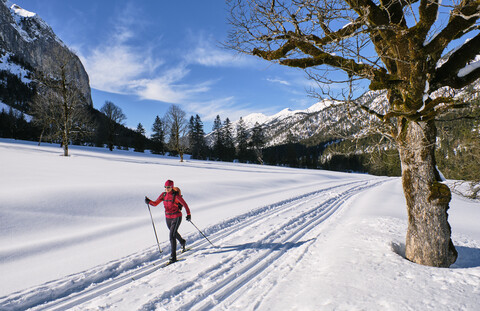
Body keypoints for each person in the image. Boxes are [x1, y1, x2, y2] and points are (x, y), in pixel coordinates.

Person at [145, 179, 191, 264]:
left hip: (176, 217)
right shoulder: (164, 195)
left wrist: (188, 214)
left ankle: (173, 257)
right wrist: (149, 202)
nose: (167, 188)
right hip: (168, 217)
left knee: (172, 236)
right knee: (173, 232)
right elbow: (155, 203)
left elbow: (185, 205)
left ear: (172, 187)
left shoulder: (176, 196)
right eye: (165, 187)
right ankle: (182, 241)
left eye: (168, 187)